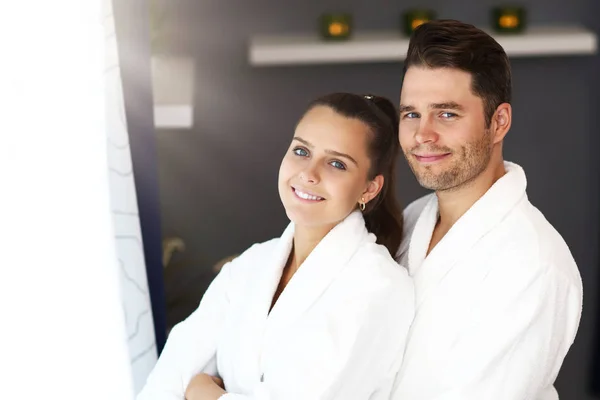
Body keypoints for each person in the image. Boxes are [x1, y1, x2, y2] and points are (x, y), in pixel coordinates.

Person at [137, 93, 415, 400]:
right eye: (301, 151)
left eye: (336, 163)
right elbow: (169, 378)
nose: (309, 173)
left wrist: (204, 393)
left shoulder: (379, 287)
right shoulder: (250, 265)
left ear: (369, 187)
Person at [391, 19, 583, 399]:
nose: (422, 135)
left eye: (446, 114)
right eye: (411, 113)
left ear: (499, 123)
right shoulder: (413, 219)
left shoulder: (534, 266)